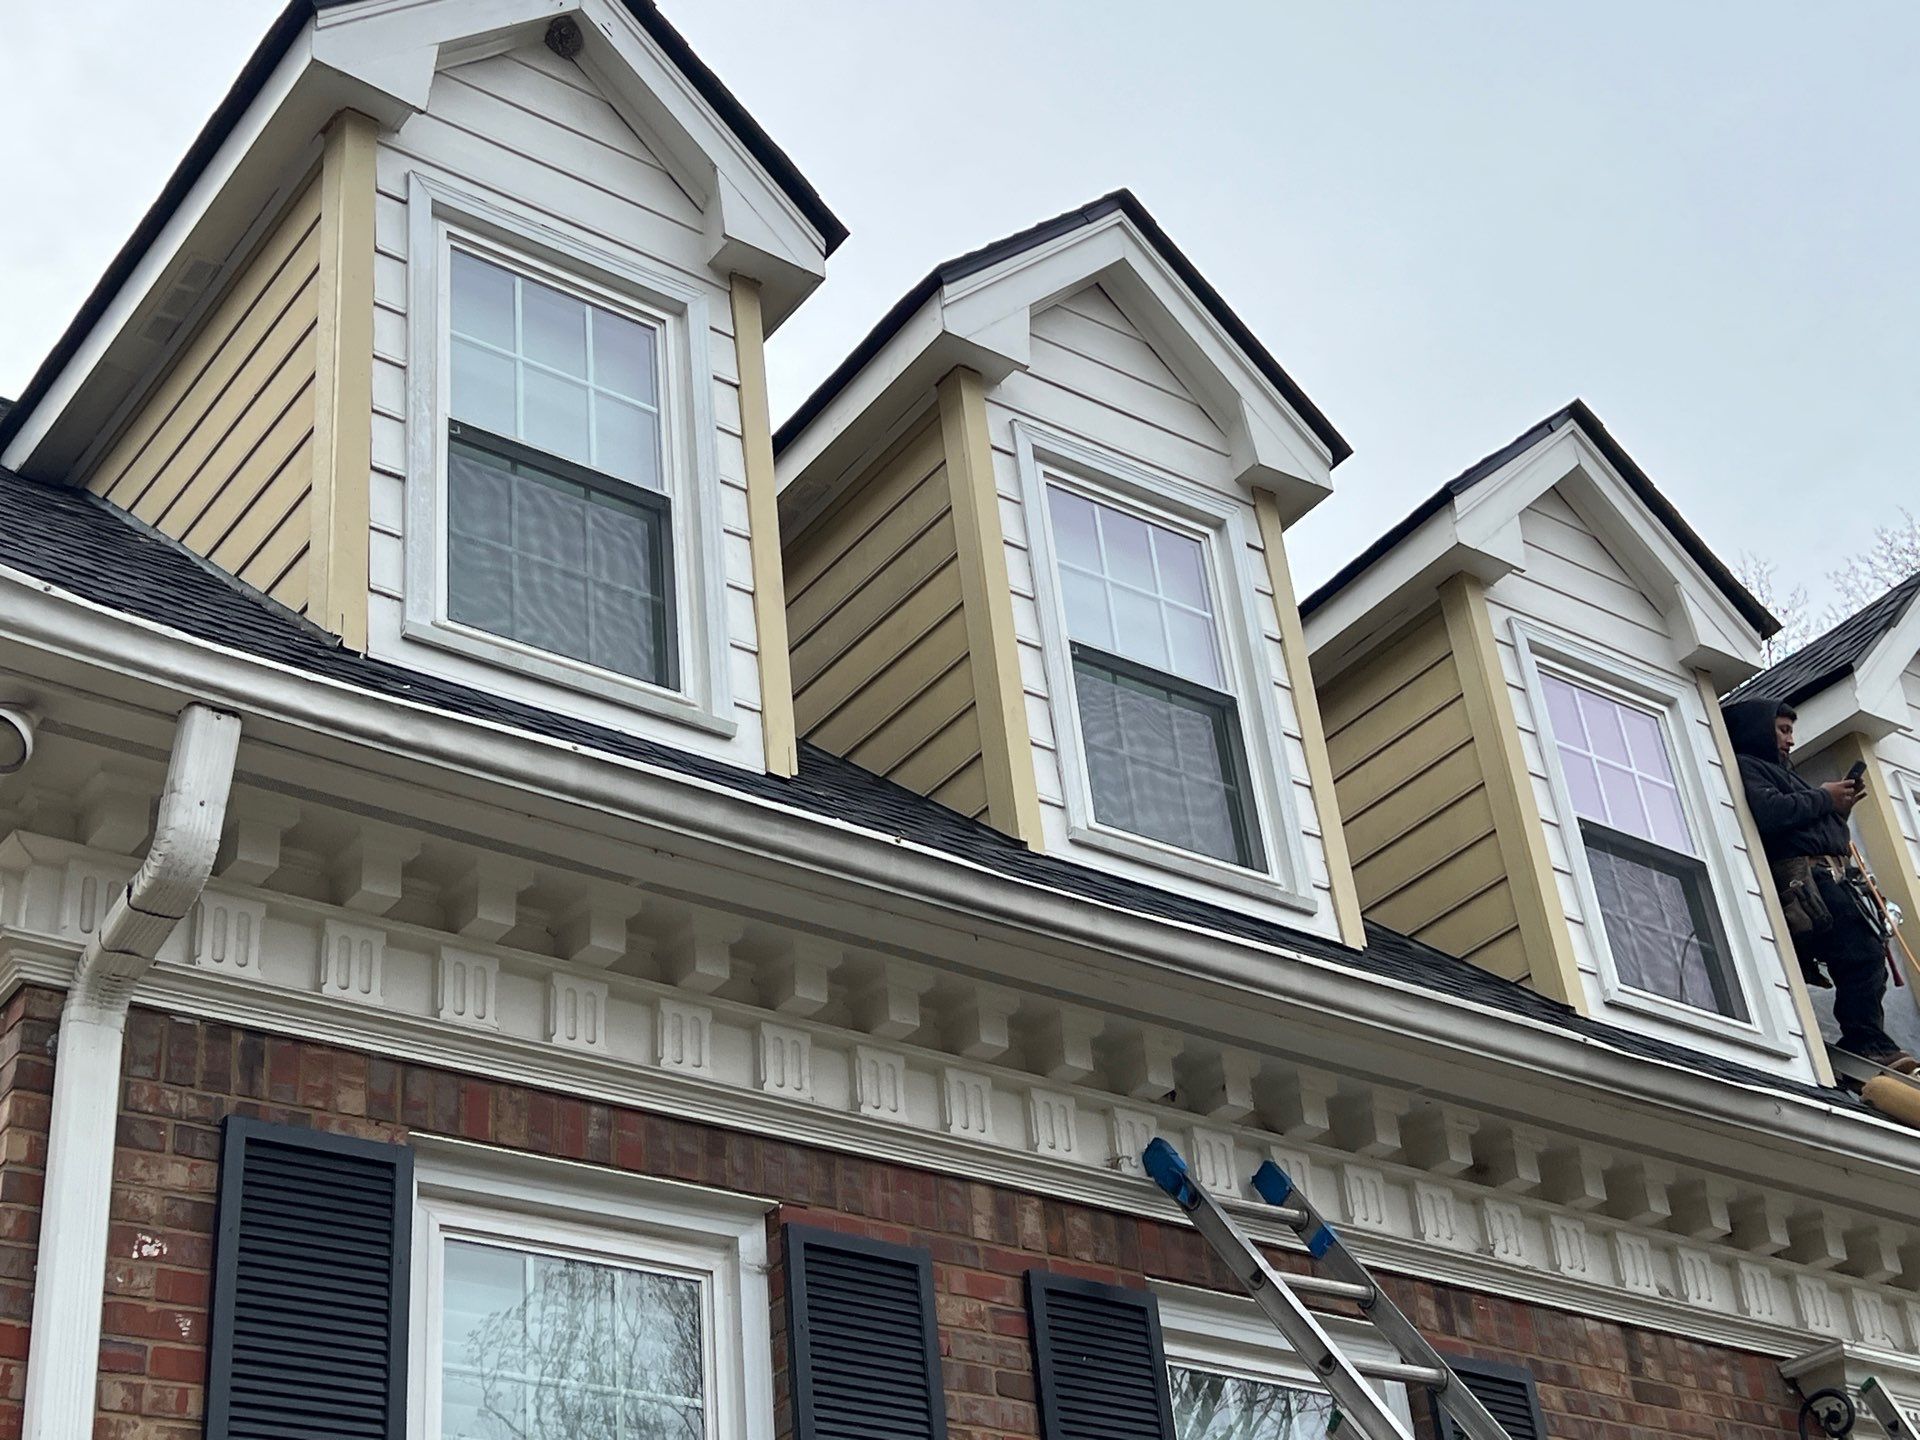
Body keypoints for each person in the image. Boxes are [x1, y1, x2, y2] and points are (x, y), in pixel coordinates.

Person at [1721, 698, 1916, 1073]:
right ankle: (1864, 1041)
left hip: (1835, 878)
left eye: (1791, 731)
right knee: (1859, 949)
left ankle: (1869, 1038)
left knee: (1867, 952)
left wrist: (1836, 810)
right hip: (1806, 881)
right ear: (1757, 729)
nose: (1790, 741)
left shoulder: (1789, 778)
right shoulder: (1748, 768)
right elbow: (1770, 813)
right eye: (1782, 729)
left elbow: (1821, 832)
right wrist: (1823, 797)